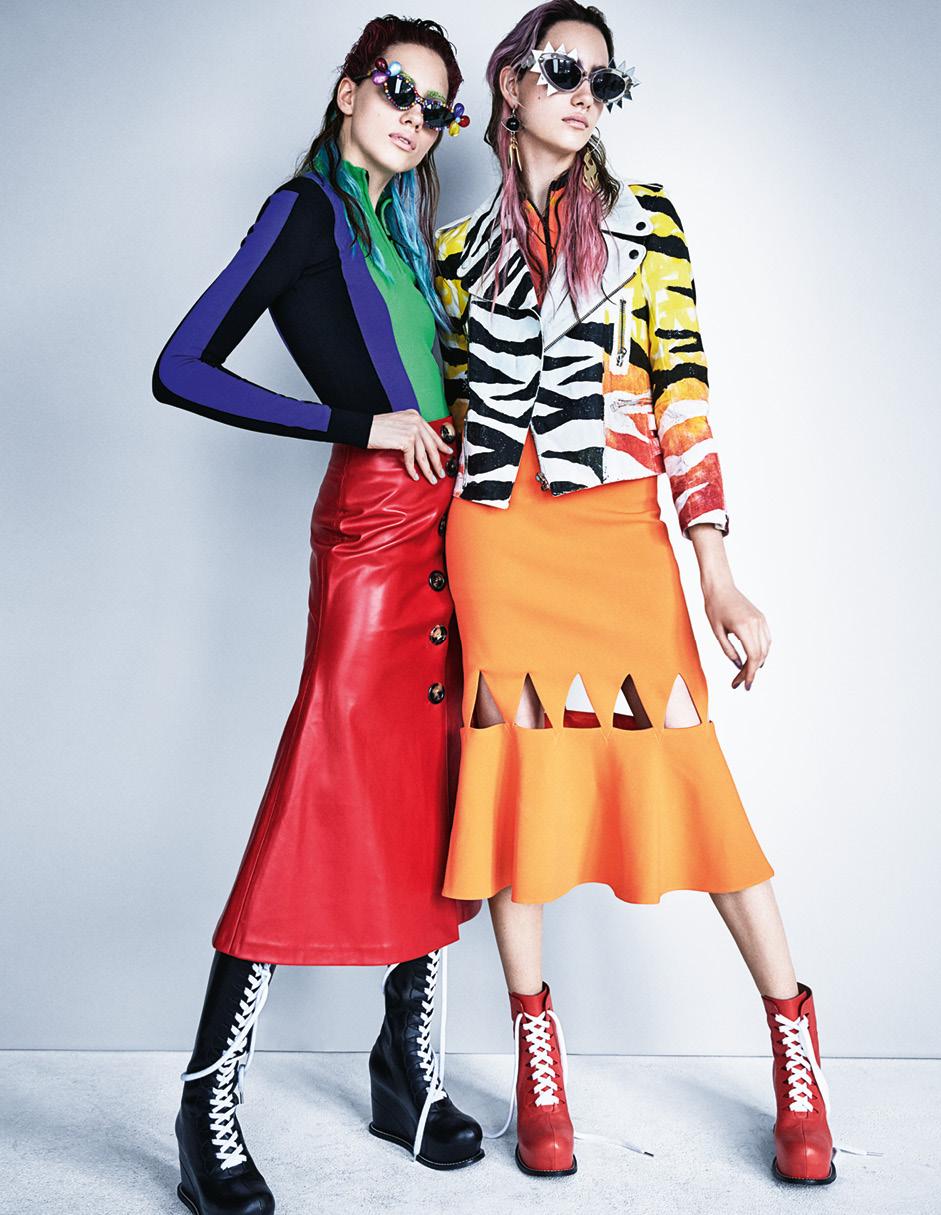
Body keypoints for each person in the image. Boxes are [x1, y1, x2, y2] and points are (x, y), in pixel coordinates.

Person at [434, 0, 839, 1186]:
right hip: (498, 537)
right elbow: (447, 412)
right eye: (563, 71)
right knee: (515, 782)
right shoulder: (453, 255)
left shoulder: (647, 221)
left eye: (602, 82)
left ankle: (794, 1041)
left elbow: (683, 393)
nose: (584, 95)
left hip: (616, 530)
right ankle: (537, 1054)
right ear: (510, 84)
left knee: (688, 769)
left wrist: (716, 570)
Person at [152, 16, 484, 1213]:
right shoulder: (303, 214)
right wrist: (359, 425)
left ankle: (405, 1074)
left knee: (439, 793)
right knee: (316, 797)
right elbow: (182, 365)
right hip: (371, 541)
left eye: (439, 106)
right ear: (348, 90)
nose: (416, 117)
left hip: (452, 536)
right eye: (398, 88)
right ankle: (208, 1098)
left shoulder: (405, 236)